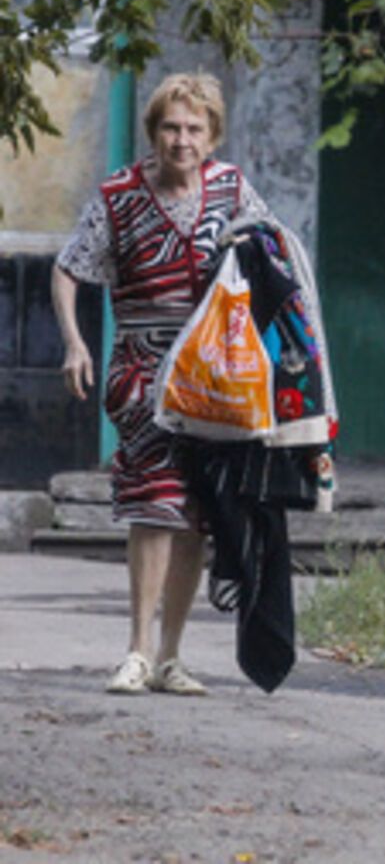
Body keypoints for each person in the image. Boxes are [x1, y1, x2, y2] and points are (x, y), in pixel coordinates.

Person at [52, 72, 276, 696]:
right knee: (154, 504)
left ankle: (172, 657)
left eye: (194, 129)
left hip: (215, 378)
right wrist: (74, 342)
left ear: (213, 136)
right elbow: (68, 269)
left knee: (196, 513)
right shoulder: (120, 195)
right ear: (153, 133)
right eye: (171, 128)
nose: (182, 140)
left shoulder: (232, 190)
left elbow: (273, 259)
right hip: (142, 373)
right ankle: (137, 652)